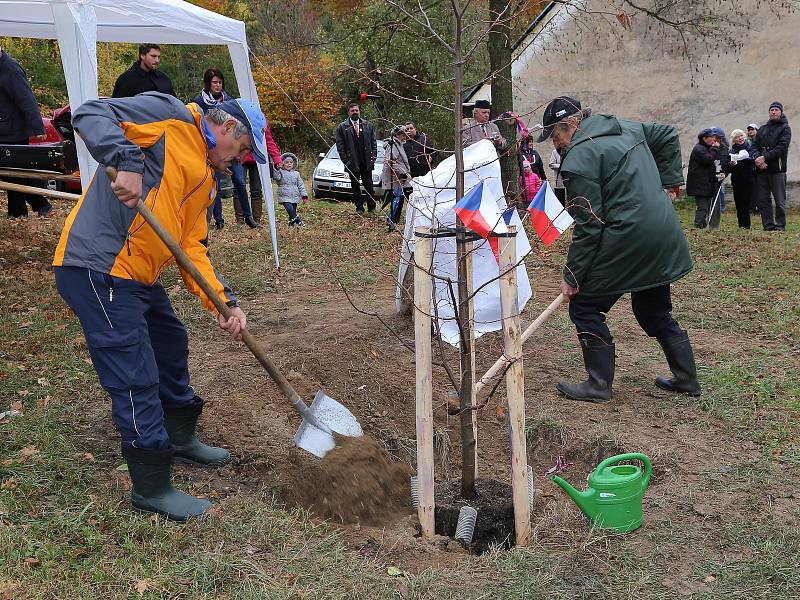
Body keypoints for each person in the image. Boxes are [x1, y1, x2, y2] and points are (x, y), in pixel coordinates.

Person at [52, 92, 268, 521]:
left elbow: (191, 248)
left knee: (170, 343)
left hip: (137, 274)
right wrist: (128, 164)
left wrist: (225, 304)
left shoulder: (206, 179)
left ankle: (179, 434)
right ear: (226, 129)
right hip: (98, 265)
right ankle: (151, 484)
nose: (241, 161)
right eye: (243, 150)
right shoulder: (169, 116)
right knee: (134, 370)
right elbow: (91, 112)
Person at [536, 95, 700, 403]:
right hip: (661, 231)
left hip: (628, 238)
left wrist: (572, 277)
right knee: (653, 308)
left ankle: (598, 384)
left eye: (555, 136)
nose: (555, 144)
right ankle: (686, 378)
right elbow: (666, 134)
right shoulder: (626, 128)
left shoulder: (579, 159)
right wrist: (670, 185)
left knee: (584, 307)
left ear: (570, 124)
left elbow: (589, 225)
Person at [193, 68, 260, 229]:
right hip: (212, 149)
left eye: (220, 82)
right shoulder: (199, 102)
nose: (218, 85)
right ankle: (219, 220)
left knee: (239, 180)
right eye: (214, 82)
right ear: (208, 84)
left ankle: (248, 216)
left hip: (231, 147)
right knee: (214, 182)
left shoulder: (228, 100)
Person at [0, 46, 51, 218]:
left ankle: (26, 209)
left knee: (15, 174)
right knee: (13, 174)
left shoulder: (10, 70)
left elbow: (26, 98)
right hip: (5, 129)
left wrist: (38, 127)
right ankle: (28, 208)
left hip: (14, 131)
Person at [751, 101, 792, 231]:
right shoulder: (762, 129)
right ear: (769, 112)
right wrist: (758, 159)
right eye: (772, 110)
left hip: (777, 170)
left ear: (781, 112)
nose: (774, 112)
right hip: (762, 170)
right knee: (763, 200)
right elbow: (754, 146)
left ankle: (780, 226)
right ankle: (768, 226)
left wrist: (765, 157)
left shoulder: (785, 128)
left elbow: (781, 147)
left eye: (776, 110)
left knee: (779, 201)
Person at [335, 102, 377, 214]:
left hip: (366, 161)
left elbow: (373, 143)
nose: (355, 112)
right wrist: (346, 161)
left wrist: (373, 158)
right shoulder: (342, 127)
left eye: (356, 110)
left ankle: (371, 208)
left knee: (369, 185)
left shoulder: (368, 125)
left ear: (359, 111)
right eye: (352, 111)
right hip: (352, 162)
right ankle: (359, 208)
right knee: (355, 186)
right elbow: (340, 146)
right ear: (348, 112)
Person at [242, 123, 282, 224]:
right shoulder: (237, 112)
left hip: (258, 158)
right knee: (239, 187)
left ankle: (256, 220)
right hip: (239, 156)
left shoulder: (260, 118)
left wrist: (276, 159)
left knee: (256, 189)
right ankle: (240, 220)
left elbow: (268, 139)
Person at [686, 128, 723, 229]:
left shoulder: (705, 148)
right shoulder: (699, 149)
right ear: (704, 138)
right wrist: (715, 148)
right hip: (699, 184)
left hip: (705, 184)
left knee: (705, 207)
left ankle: (702, 224)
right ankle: (698, 225)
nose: (713, 139)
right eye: (711, 137)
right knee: (703, 207)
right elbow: (708, 160)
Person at [381, 126, 413, 232]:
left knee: (398, 200)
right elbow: (390, 161)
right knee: (396, 200)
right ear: (398, 135)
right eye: (403, 134)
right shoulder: (393, 144)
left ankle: (393, 221)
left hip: (400, 178)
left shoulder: (399, 144)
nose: (405, 136)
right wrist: (402, 173)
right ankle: (391, 222)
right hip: (395, 178)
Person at [728, 128, 755, 229]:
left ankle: (746, 225)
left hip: (747, 179)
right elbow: (728, 167)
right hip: (736, 180)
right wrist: (731, 164)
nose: (740, 138)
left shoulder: (750, 147)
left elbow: (753, 160)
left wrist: (747, 158)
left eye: (741, 136)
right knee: (738, 203)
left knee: (745, 203)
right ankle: (741, 225)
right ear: (733, 140)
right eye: (737, 137)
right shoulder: (732, 151)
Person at [273, 152, 307, 226]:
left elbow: (300, 185)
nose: (289, 164)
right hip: (284, 196)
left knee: (292, 211)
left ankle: (291, 224)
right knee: (290, 209)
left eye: (291, 162)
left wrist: (304, 196)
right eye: (286, 162)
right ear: (282, 163)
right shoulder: (280, 172)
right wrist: (276, 168)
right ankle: (298, 221)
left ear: (294, 163)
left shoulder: (296, 174)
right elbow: (276, 177)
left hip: (294, 196)